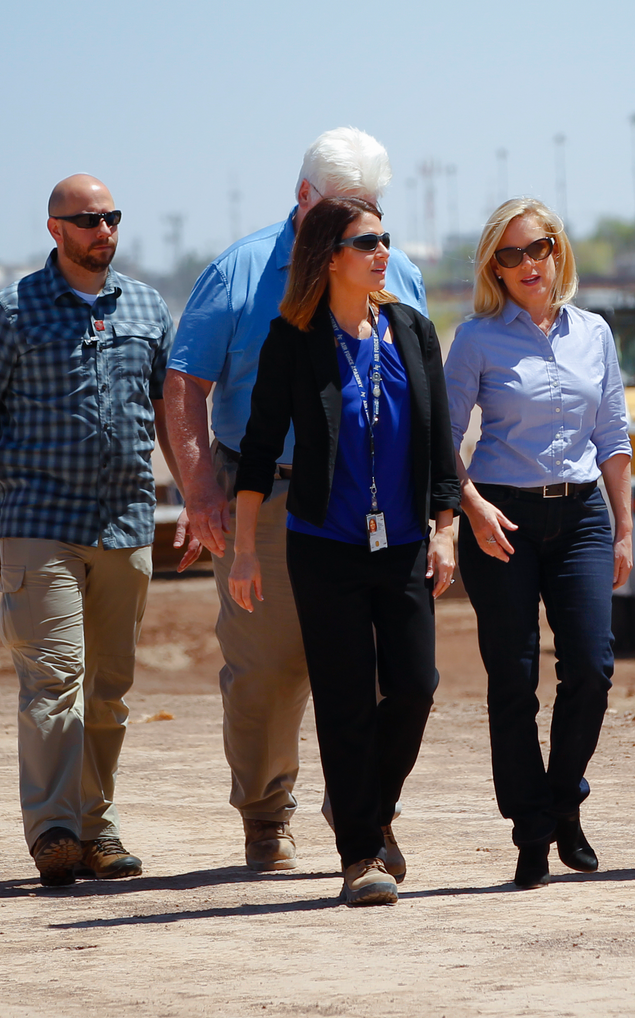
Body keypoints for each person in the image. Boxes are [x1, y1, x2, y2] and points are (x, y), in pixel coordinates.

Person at [165, 128, 429, 871]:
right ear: (302, 198)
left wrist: (442, 508)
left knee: (385, 674)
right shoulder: (243, 272)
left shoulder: (395, 271)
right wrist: (202, 492)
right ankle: (265, 813)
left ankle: (367, 814)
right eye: (344, 207)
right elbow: (185, 384)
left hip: (378, 503)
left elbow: (424, 392)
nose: (364, 227)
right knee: (271, 671)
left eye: (373, 209)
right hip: (273, 500)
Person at [0, 174, 178, 887]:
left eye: (110, 217)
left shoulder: (145, 306)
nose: (102, 230)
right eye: (86, 220)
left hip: (126, 522)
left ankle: (95, 826)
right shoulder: (10, 311)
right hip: (40, 523)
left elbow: (170, 412)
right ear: (55, 229)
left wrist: (200, 498)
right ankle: (52, 828)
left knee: (109, 688)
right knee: (54, 679)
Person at [228, 196, 459, 906]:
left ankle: (363, 804)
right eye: (367, 242)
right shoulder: (291, 339)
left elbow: (440, 439)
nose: (382, 251)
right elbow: (259, 452)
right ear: (330, 255)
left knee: (416, 686)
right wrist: (242, 550)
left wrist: (445, 526)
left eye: (385, 238)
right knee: (346, 697)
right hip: (323, 544)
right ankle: (361, 854)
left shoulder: (413, 330)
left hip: (403, 544)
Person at [445, 198, 633, 889]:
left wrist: (622, 528)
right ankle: (530, 831)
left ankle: (563, 802)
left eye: (539, 248)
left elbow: (613, 435)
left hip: (582, 514)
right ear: (494, 265)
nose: (529, 264)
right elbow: (444, 437)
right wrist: (472, 509)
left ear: (559, 251)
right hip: (503, 520)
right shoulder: (475, 339)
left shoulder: (596, 333)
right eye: (511, 254)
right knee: (514, 680)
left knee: (591, 665)